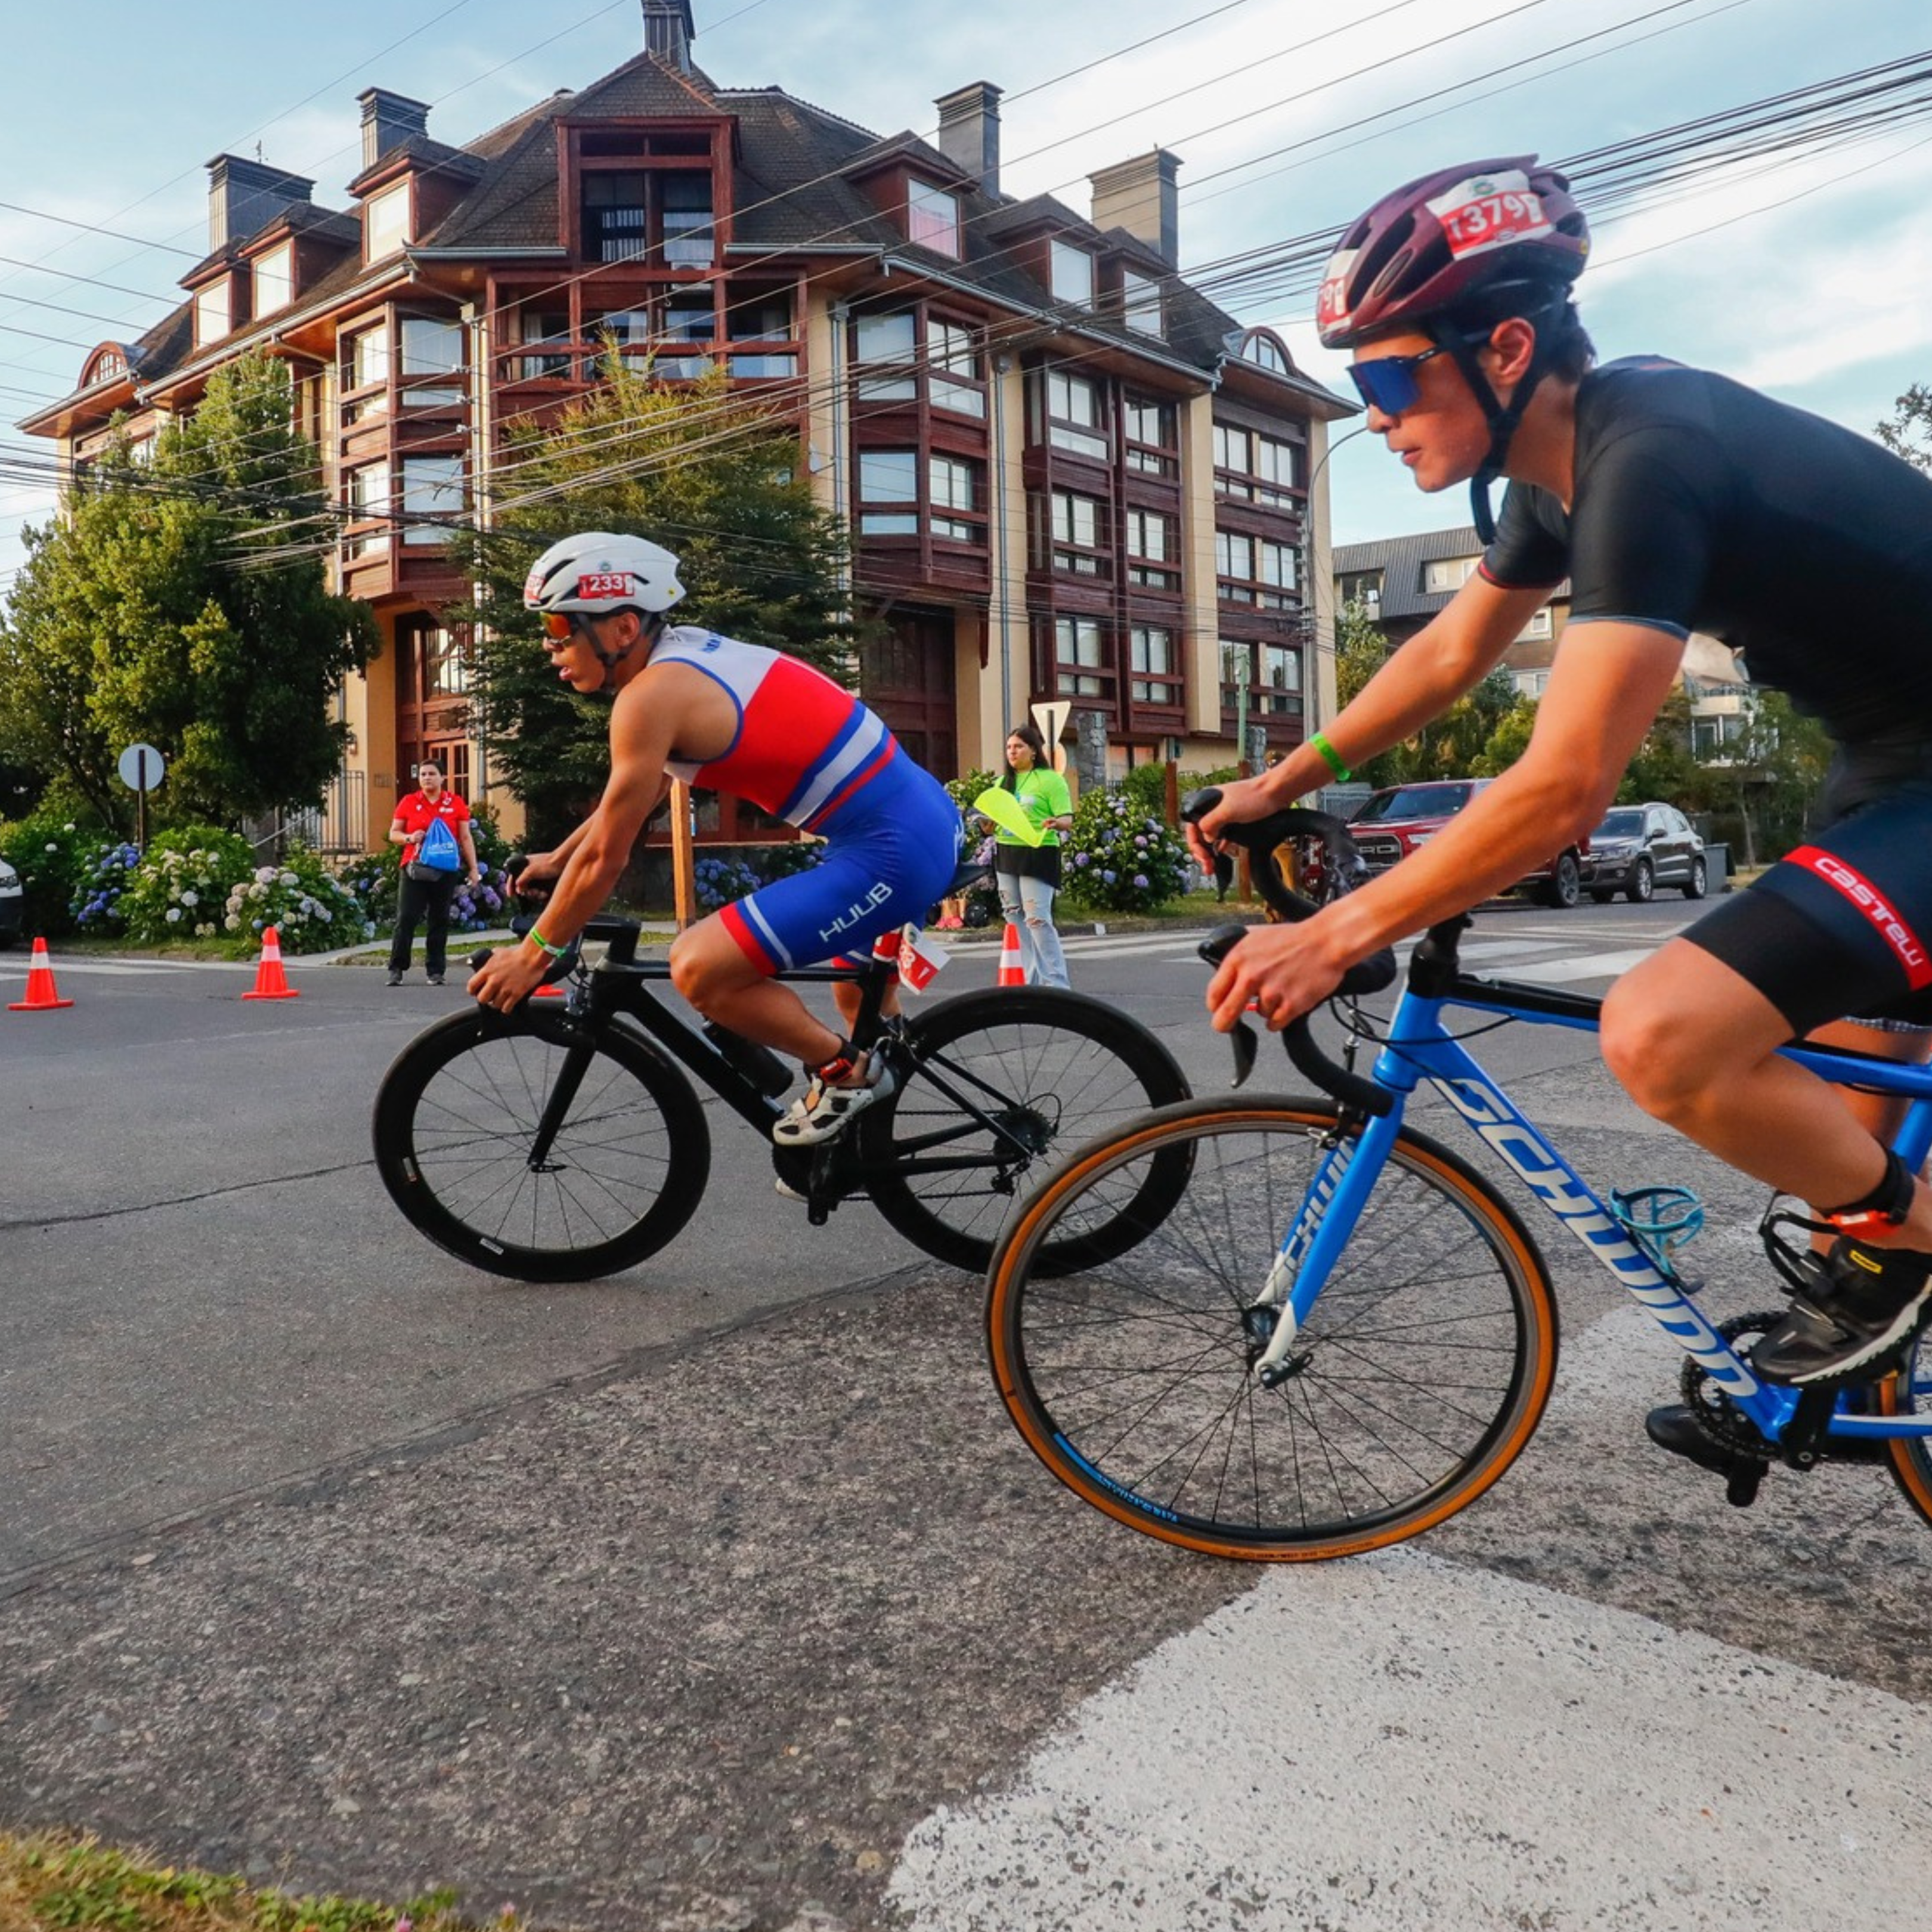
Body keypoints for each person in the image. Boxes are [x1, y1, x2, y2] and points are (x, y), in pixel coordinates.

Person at [1190, 155, 1932, 1402]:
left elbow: (1566, 787)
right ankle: (1880, 1319)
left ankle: (1914, 1260)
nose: (1373, 412)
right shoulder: (1559, 472)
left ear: (1507, 347)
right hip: (1885, 769)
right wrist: (1282, 780)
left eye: (1385, 373)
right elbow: (1449, 652)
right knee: (1847, 1149)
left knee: (1667, 1038)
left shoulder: (1650, 459)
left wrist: (1343, 926)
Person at [466, 531, 961, 1147]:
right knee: (858, 1006)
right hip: (915, 822)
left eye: (562, 625)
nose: (550, 645)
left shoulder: (650, 698)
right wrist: (557, 858)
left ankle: (845, 1076)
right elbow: (628, 804)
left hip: (891, 848)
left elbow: (608, 857)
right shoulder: (680, 660)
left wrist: (534, 954)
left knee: (700, 967)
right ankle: (879, 1145)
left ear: (623, 628)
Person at [990, 723, 1074, 988]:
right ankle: (1028, 980)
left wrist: (1056, 823)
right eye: (1008, 748)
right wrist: (986, 823)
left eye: (1018, 747)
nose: (1012, 752)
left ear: (1034, 751)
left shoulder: (1050, 780)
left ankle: (1056, 983)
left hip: (1038, 851)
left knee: (1037, 918)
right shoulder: (1002, 783)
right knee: (1013, 915)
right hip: (1006, 851)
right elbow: (994, 818)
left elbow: (1067, 819)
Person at [386, 760, 481, 986]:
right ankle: (397, 968)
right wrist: (409, 838)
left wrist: (474, 868)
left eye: (432, 774)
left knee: (439, 918)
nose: (427, 778)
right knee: (407, 917)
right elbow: (394, 833)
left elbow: (466, 837)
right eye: (423, 774)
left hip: (445, 869)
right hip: (415, 868)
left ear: (442, 778)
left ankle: (436, 970)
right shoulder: (409, 802)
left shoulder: (455, 803)